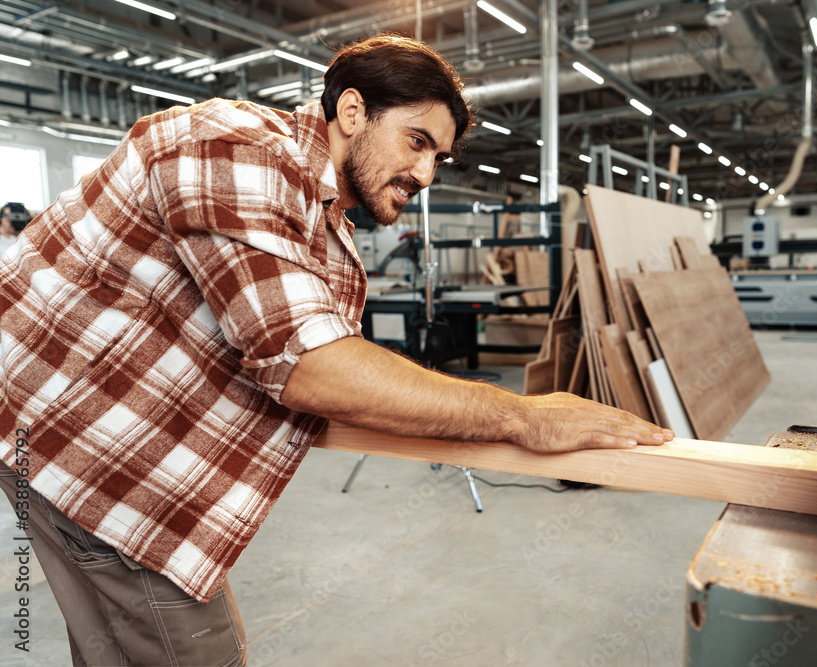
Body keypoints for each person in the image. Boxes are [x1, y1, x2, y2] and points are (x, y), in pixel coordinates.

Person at [0, 34, 671, 666]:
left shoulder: (324, 226)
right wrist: (521, 414)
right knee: (195, 650)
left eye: (439, 156)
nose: (427, 172)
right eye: (416, 141)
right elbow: (309, 364)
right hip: (76, 442)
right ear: (352, 110)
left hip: (101, 431)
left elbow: (304, 357)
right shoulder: (234, 149)